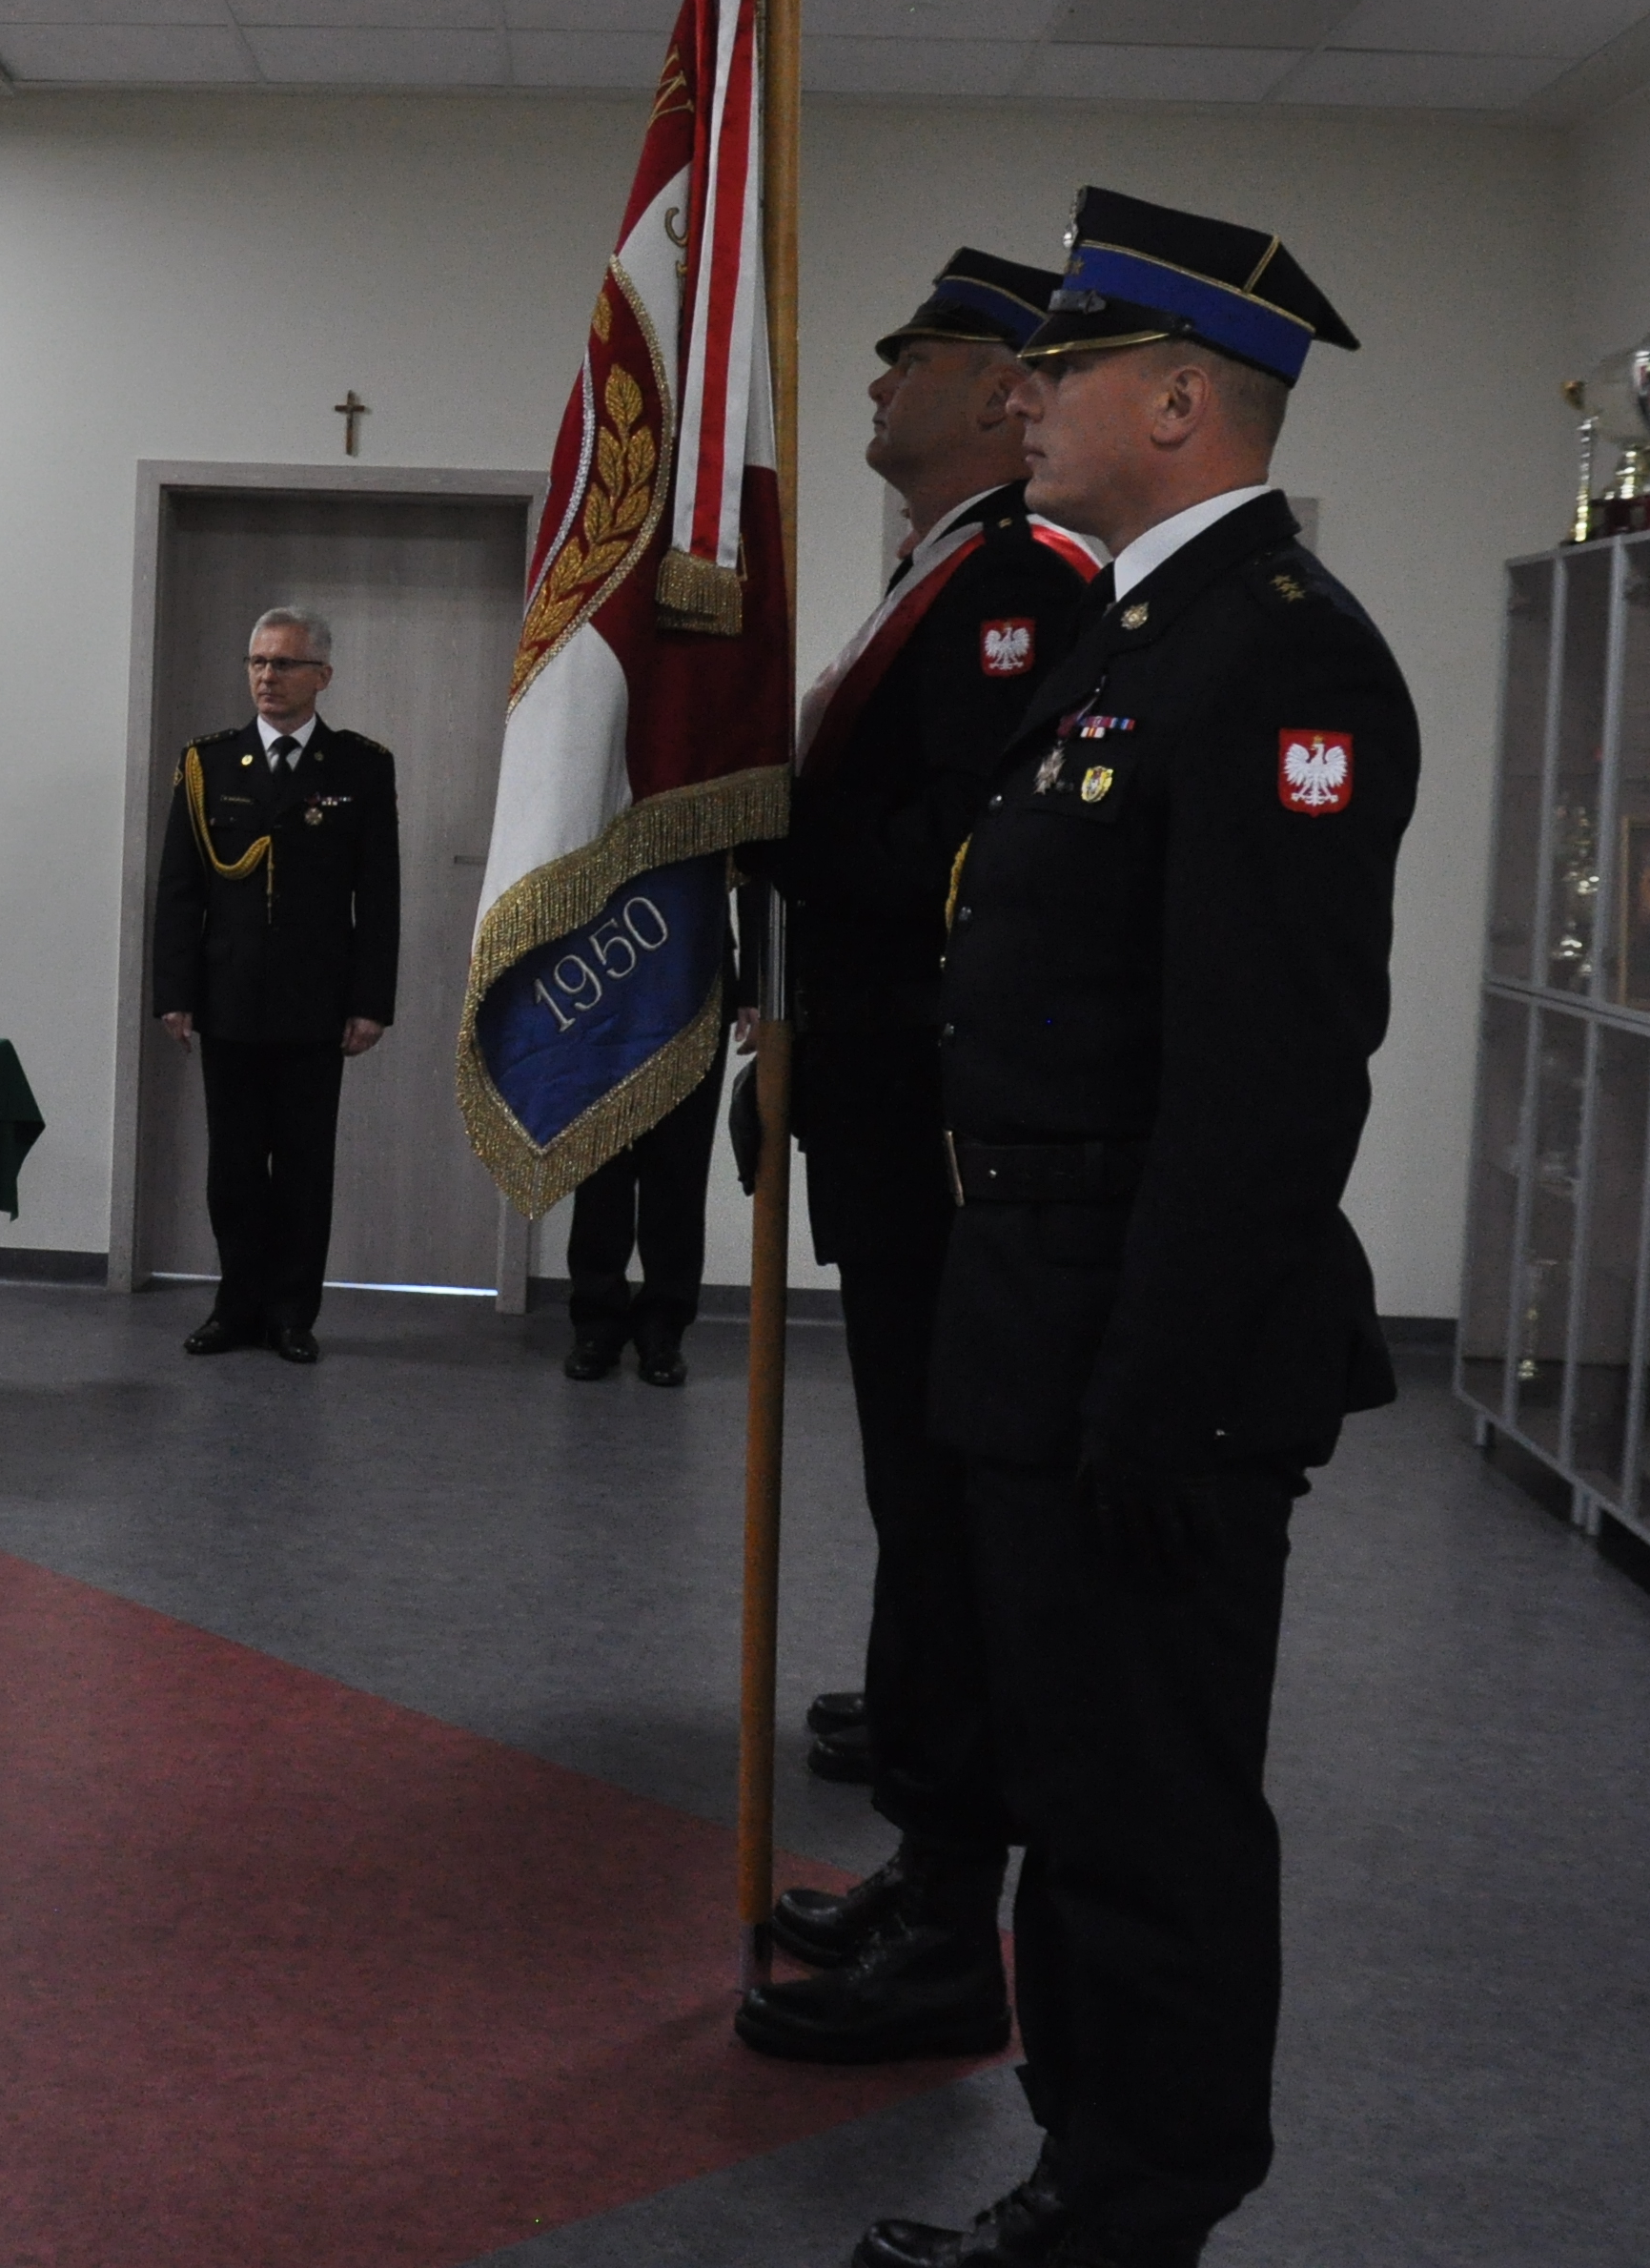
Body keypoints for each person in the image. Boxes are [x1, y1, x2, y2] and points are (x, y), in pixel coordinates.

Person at [850, 190, 1413, 2268]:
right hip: (1040, 1309)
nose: (1025, 393)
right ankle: (1078, 2176)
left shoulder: (1279, 652)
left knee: (1148, 1810)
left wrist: (1154, 1392)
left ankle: (1134, 2196)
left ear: (1179, 401)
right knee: (1076, 1789)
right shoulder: (1142, 626)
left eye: (1066, 367)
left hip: (1143, 1342)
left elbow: (1267, 1082)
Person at [735, 247, 1096, 2070]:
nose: (878, 382)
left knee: (948, 1507)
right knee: (911, 1490)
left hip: (940, 1124)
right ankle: (922, 1857)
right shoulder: (940, 569)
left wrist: (767, 829)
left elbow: (961, 856)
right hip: (886, 1111)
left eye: (914, 356)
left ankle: (953, 1919)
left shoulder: (1017, 582)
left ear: (995, 390)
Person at [150, 605, 397, 1366]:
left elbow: (378, 894)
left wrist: (370, 1002)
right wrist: (175, 991)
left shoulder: (358, 766)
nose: (267, 677)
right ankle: (235, 1306)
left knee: (302, 1167)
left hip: (316, 1003)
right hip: (228, 998)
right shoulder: (209, 764)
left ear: (322, 676)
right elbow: (180, 889)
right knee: (232, 1167)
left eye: (284, 664)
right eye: (258, 662)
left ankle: (291, 1313)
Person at [560, 1032, 718, 1387]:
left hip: (694, 1009)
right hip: (604, 1009)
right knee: (600, 1172)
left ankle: (663, 1332)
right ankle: (597, 1324)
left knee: (679, 1168)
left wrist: (749, 1002)